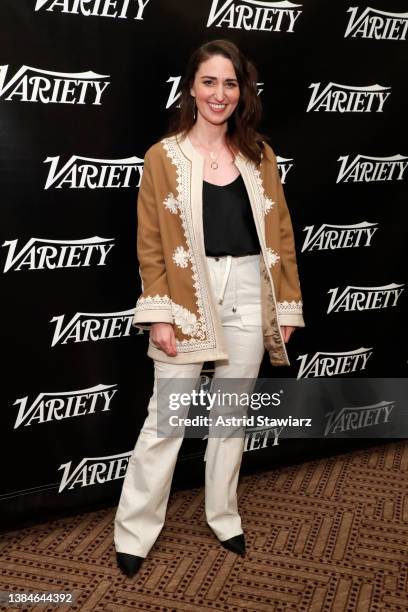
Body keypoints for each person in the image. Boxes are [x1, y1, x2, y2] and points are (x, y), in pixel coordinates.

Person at [114, 39, 305, 577]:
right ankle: (135, 530)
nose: (219, 94)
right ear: (191, 88)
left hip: (249, 288)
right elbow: (150, 241)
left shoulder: (260, 155)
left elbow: (282, 234)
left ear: (241, 91)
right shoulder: (162, 156)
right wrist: (158, 313)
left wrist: (285, 307)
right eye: (209, 82)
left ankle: (224, 516)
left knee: (230, 416)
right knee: (166, 419)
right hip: (185, 292)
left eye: (230, 83)